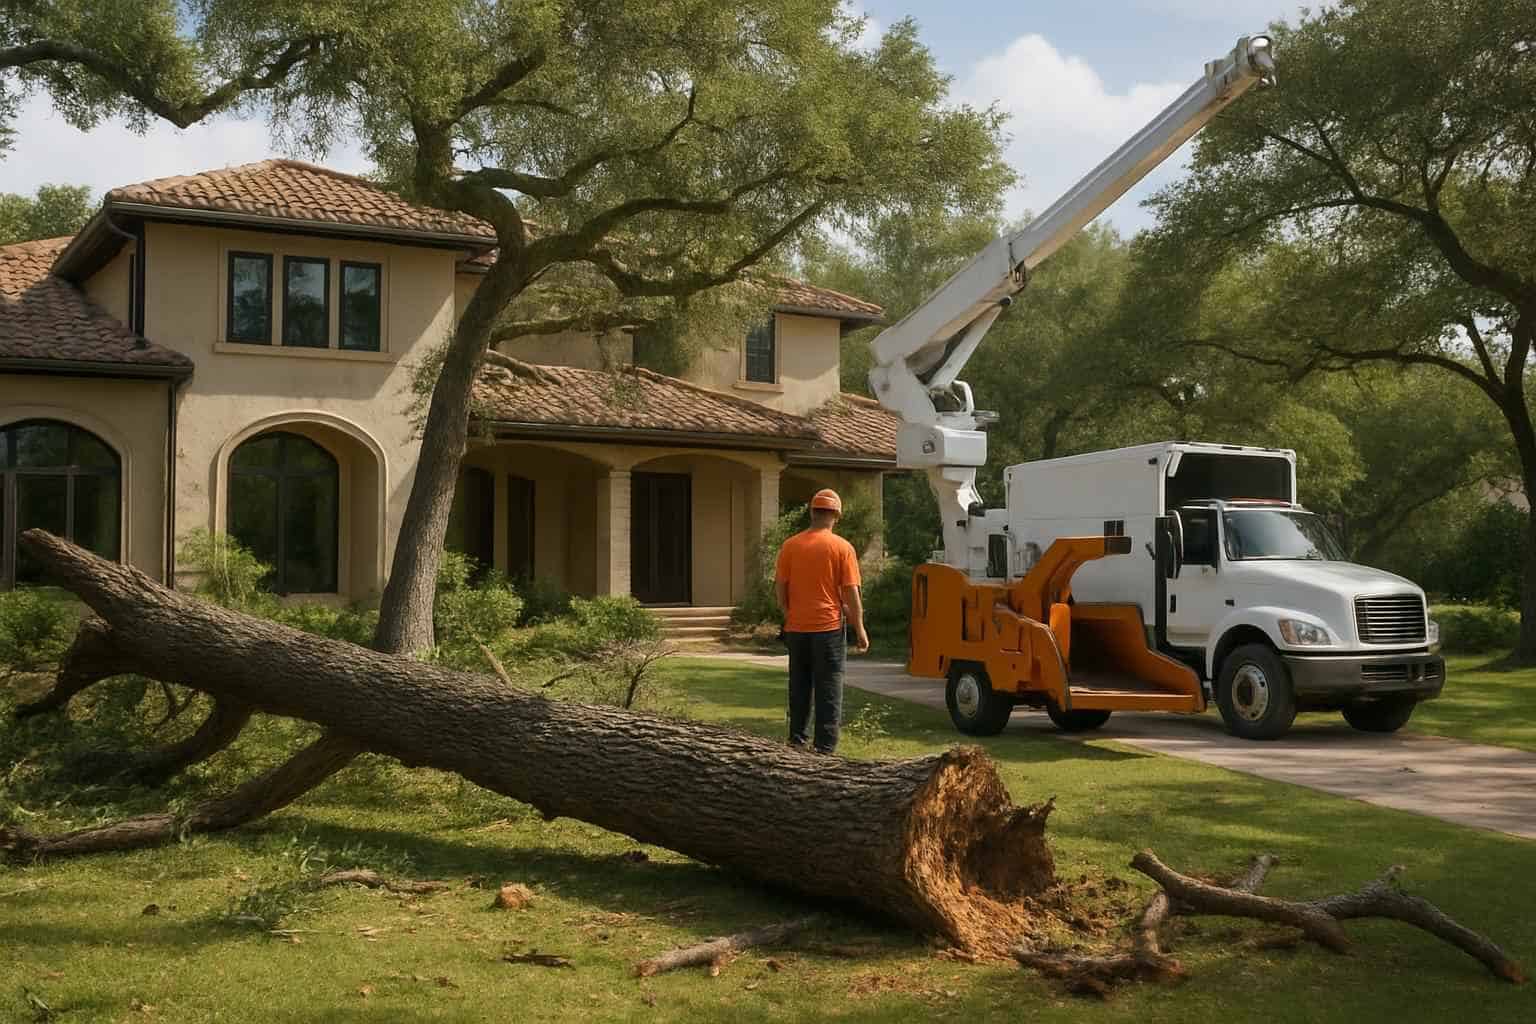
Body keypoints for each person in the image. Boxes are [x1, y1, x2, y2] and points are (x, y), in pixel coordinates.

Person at [774, 488, 869, 754]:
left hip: (797, 627)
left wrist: (787, 612)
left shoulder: (790, 545)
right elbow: (851, 593)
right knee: (829, 687)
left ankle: (796, 742)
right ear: (836, 515)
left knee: (799, 686)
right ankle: (825, 750)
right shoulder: (842, 548)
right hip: (828, 628)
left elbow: (781, 585)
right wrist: (859, 628)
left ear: (812, 512)